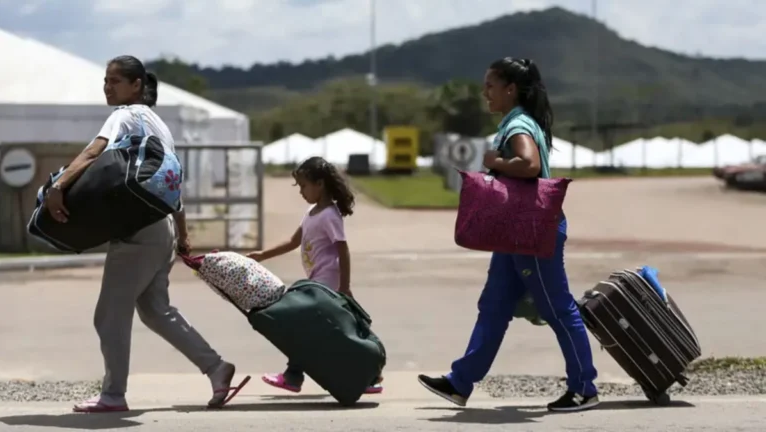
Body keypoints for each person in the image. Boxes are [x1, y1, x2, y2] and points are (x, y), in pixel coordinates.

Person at [44, 55, 246, 413]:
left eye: (115, 81)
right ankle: (216, 368)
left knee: (109, 315)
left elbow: (94, 152)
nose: (108, 88)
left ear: (136, 85)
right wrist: (181, 234)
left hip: (137, 232)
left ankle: (113, 395)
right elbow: (171, 183)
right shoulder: (159, 125)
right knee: (155, 311)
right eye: (105, 81)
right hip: (160, 228)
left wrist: (58, 186)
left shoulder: (125, 115)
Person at [417, 57, 599, 413]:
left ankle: (584, 387)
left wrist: (495, 162)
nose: (485, 92)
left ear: (510, 89)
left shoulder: (517, 125)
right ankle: (460, 382)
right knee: (494, 306)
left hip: (531, 232)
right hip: (513, 233)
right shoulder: (517, 122)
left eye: (490, 85)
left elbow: (529, 165)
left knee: (558, 309)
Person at [247, 156, 383, 394]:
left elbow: (343, 249)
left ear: (319, 184)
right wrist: (262, 255)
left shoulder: (330, 215)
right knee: (330, 334)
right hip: (316, 284)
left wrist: (345, 286)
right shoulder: (311, 212)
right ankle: (368, 378)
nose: (301, 191)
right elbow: (293, 241)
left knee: (305, 329)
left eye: (303, 186)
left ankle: (293, 376)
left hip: (327, 286)